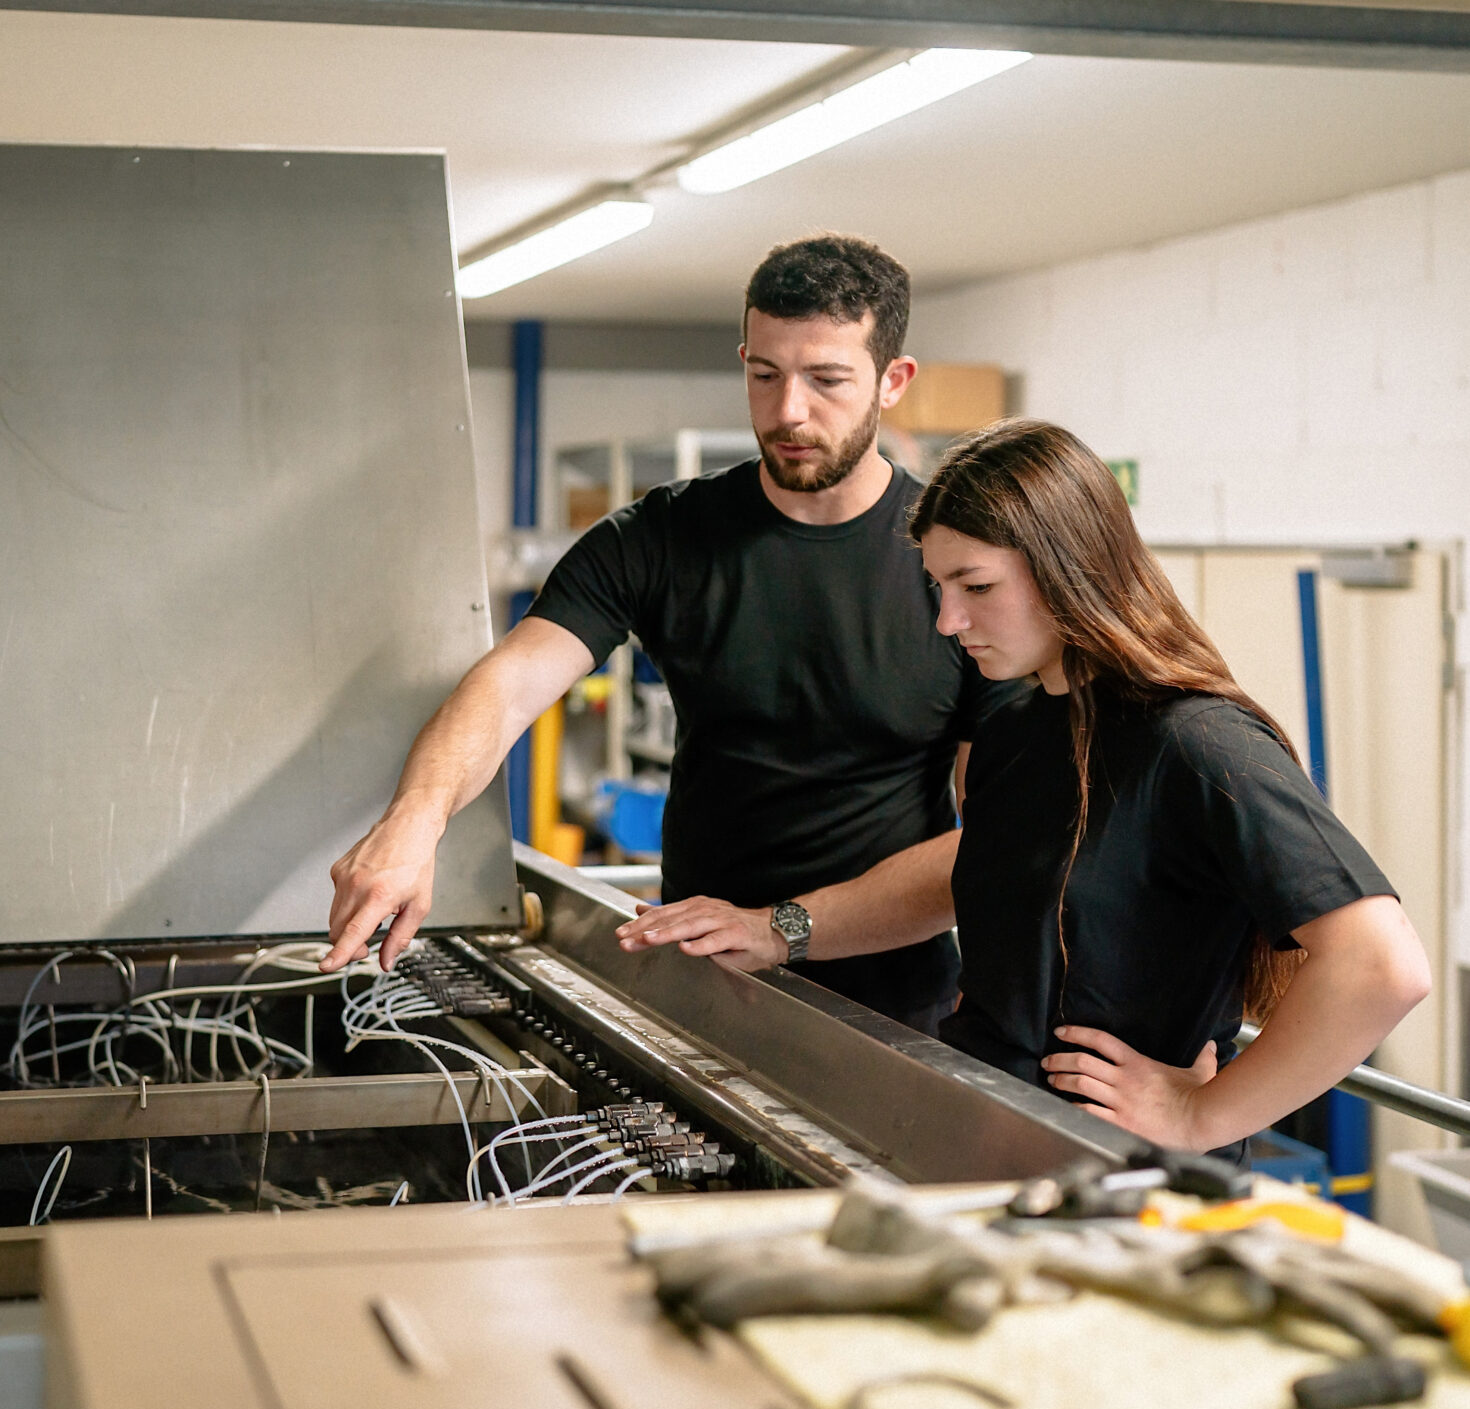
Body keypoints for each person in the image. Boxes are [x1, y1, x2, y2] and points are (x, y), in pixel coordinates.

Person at [616, 419, 1431, 1155]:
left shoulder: (1196, 743)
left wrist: (1203, 1117)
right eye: (938, 588)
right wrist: (780, 928)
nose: (947, 621)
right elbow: (984, 866)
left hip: (1114, 1172)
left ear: (1069, 568)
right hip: (992, 1132)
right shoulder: (1020, 731)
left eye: (976, 587)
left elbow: (1378, 965)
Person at [322, 234, 986, 1036]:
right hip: (703, 987)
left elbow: (990, 841)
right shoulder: (666, 536)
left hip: (894, 1011)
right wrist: (412, 824)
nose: (788, 412)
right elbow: (507, 687)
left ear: (893, 382)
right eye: (764, 375)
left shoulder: (957, 566)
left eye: (827, 380)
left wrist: (781, 928)